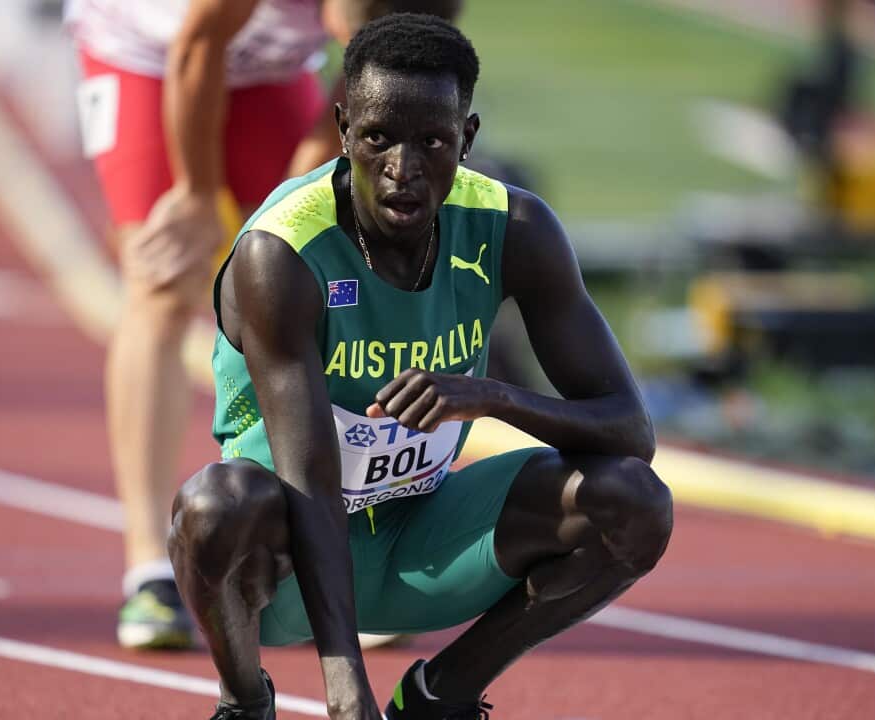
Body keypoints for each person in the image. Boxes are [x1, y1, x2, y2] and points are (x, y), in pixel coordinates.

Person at [170, 13, 673, 719]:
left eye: (431, 142)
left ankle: (443, 695)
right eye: (377, 139)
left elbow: (628, 430)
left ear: (466, 139)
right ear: (343, 129)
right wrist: (347, 693)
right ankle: (244, 699)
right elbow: (310, 479)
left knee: (633, 501)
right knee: (211, 507)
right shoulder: (281, 253)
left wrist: (491, 395)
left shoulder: (515, 229)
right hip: (284, 558)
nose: (402, 171)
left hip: (421, 537)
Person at [65, 0, 460, 650]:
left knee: (315, 278)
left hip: (271, 65)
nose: (366, 38)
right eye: (361, 24)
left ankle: (329, 559)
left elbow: (366, 89)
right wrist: (195, 195)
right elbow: (197, 43)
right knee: (165, 283)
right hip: (146, 51)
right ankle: (149, 572)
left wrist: (290, 208)